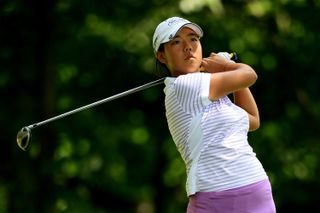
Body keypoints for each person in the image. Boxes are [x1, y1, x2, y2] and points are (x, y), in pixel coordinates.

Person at [152, 17, 276, 213]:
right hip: (215, 197)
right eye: (176, 42)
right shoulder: (184, 86)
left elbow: (252, 120)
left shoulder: (211, 92)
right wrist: (226, 67)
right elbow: (250, 75)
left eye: (193, 39)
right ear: (161, 56)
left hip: (254, 187)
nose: (188, 47)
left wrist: (226, 68)